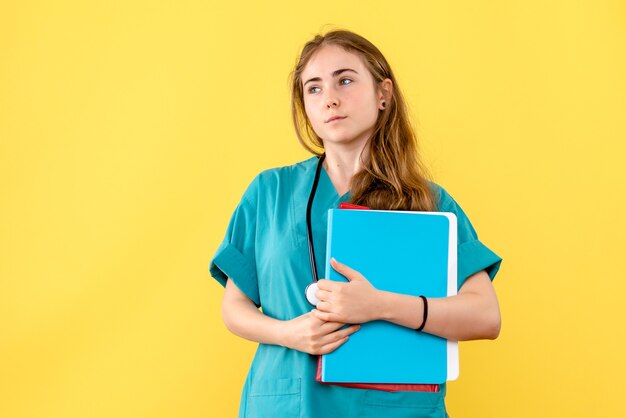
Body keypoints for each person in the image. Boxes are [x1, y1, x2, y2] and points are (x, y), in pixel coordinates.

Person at [209, 29, 502, 418]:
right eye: (313, 89)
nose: (329, 98)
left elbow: (485, 316)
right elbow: (234, 307)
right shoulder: (270, 192)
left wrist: (380, 305)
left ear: (383, 94)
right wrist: (289, 333)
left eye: (345, 80)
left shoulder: (427, 202)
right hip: (289, 404)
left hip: (395, 407)